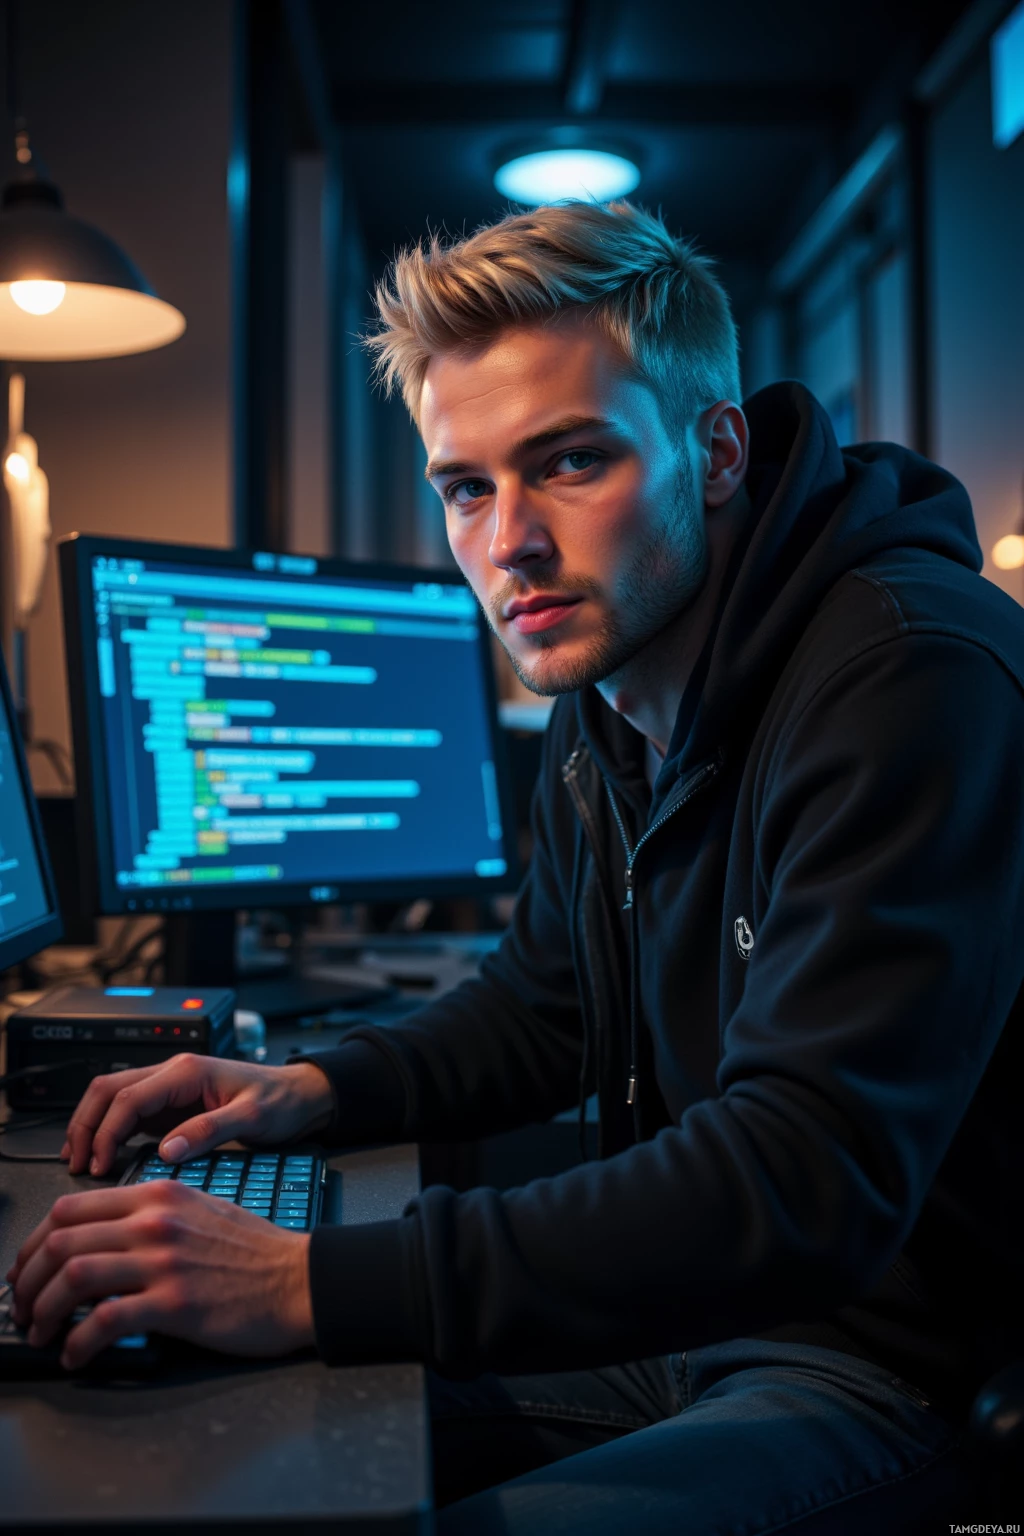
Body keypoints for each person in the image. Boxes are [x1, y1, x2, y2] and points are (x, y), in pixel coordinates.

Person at [8, 200, 1024, 1533]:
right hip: (695, 1313)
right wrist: (308, 1088)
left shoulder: (910, 674)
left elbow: (803, 1177)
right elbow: (546, 1001)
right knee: (195, 1450)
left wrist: (305, 1279)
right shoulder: (614, 677)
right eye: (467, 487)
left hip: (883, 1370)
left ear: (714, 451)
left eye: (572, 463)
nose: (510, 544)